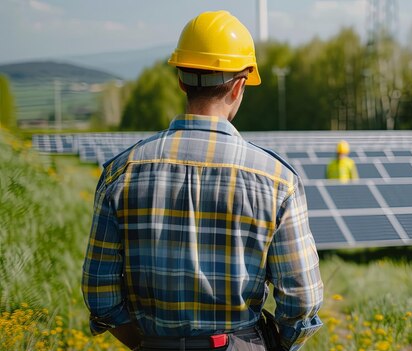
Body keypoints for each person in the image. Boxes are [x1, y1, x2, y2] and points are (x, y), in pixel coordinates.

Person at [82, 10, 323, 351]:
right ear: (240, 85)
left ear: (180, 79)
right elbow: (302, 300)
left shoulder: (120, 172)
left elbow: (99, 293)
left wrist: (148, 343)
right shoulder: (277, 180)